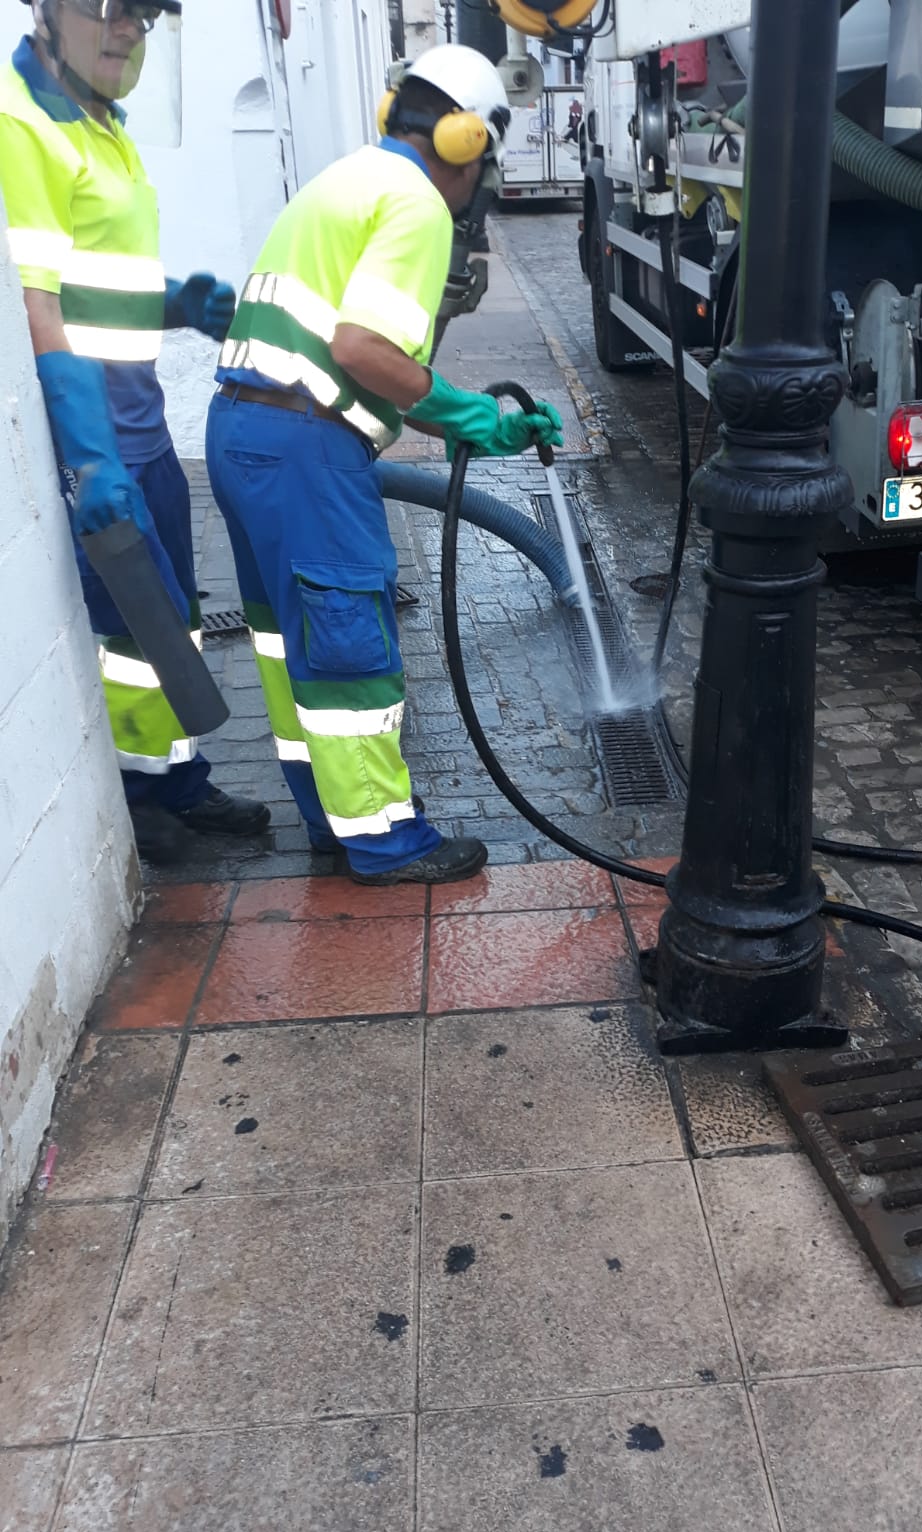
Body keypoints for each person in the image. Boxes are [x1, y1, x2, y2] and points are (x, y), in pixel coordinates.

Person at [206, 45, 562, 887]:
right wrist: (474, 416)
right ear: (466, 143)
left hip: (239, 435)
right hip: (306, 448)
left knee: (286, 641)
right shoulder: (416, 203)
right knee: (346, 643)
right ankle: (384, 840)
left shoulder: (344, 179)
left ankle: (333, 816)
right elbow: (360, 346)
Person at [0, 0, 270, 863]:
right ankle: (137, 792)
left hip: (144, 427)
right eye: (110, 10)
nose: (126, 31)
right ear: (48, 11)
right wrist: (88, 456)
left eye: (144, 18)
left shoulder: (99, 121)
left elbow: (91, 280)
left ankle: (179, 779)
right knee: (126, 628)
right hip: (99, 439)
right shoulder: (24, 126)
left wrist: (171, 303)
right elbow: (37, 305)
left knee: (171, 621)